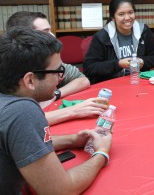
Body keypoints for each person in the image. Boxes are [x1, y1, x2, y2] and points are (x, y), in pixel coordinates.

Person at [0, 27, 113, 195]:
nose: (61, 78)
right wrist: (101, 153)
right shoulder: (22, 111)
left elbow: (21, 144)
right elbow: (60, 190)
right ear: (30, 80)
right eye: (58, 71)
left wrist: (74, 140)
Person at [5, 11, 106, 126]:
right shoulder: (8, 70)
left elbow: (83, 80)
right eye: (45, 32)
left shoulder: (48, 61)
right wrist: (74, 111)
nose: (53, 36)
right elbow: (20, 122)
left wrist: (56, 94)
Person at [83, 0, 154, 84]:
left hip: (140, 81)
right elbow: (89, 68)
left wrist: (143, 62)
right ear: (113, 17)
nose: (127, 17)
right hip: (112, 84)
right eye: (121, 14)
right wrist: (118, 64)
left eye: (130, 12)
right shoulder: (102, 36)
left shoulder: (144, 30)